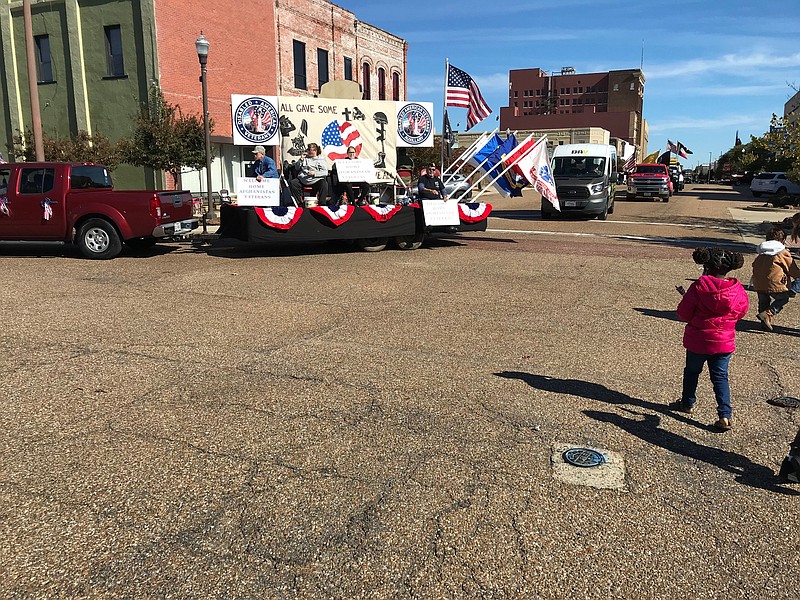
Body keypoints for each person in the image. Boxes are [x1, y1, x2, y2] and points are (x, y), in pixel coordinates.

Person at [670, 247, 748, 431]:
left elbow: (683, 313)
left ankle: (687, 403)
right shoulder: (737, 290)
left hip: (698, 339)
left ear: (706, 266)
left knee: (692, 372)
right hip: (724, 341)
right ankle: (725, 415)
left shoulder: (698, 287)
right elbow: (741, 311)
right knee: (720, 377)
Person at [751, 227, 800, 330]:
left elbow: (755, 265)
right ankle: (768, 313)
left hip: (759, 283)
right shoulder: (782, 252)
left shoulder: (761, 252)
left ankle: (764, 321)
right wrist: (797, 277)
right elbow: (791, 268)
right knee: (783, 298)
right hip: (775, 283)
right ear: (782, 240)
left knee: (763, 301)